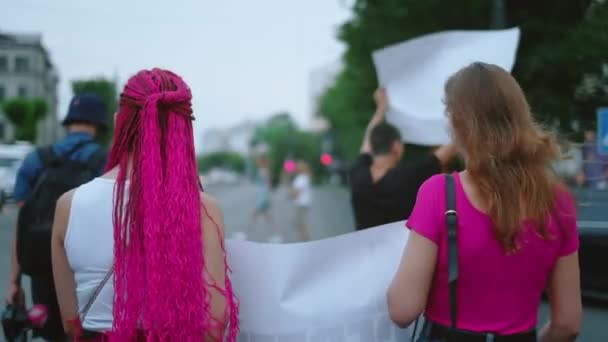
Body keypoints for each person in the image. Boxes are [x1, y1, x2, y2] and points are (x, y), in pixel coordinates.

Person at [387, 62, 582, 341]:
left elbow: (403, 309)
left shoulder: (440, 192)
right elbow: (568, 323)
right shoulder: (559, 202)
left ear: (460, 125)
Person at [51, 69, 238, 341]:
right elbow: (213, 327)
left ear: (120, 122)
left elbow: (71, 325)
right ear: (183, 130)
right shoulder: (203, 208)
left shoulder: (68, 205)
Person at [6, 93, 108, 341]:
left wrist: (14, 282)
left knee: (49, 331)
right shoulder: (105, 160)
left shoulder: (35, 160)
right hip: (87, 270)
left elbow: (23, 222)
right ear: (99, 124)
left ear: (69, 121)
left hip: (40, 265)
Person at [350, 88, 458, 230]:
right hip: (404, 251)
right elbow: (451, 149)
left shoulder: (357, 175)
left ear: (372, 148)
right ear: (396, 147)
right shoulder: (408, 177)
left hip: (367, 250)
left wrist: (381, 109)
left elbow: (368, 140)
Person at [234, 154, 281, 242]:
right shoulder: (263, 170)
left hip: (263, 196)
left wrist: (265, 198)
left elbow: (268, 185)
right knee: (267, 217)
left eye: (259, 161)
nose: (257, 162)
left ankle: (245, 234)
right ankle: (276, 235)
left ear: (262, 162)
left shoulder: (264, 171)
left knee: (255, 215)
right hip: (262, 195)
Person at [290, 160, 312, 241]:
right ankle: (304, 241)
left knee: (300, 224)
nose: (296, 167)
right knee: (300, 224)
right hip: (303, 204)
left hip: (301, 204)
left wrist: (291, 193)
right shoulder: (305, 177)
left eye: (298, 166)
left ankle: (304, 242)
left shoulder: (301, 178)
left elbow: (296, 192)